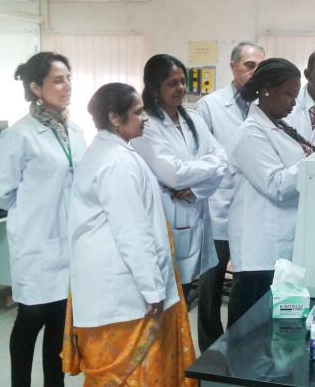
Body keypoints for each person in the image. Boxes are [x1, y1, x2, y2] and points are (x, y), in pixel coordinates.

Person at [63, 83, 196, 387]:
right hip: (123, 293)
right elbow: (132, 232)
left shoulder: (110, 152)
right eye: (137, 112)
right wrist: (151, 289)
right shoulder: (117, 163)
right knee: (131, 377)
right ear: (114, 118)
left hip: (117, 285)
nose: (144, 118)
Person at [0, 51, 87, 387]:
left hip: (69, 245)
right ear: (36, 88)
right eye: (58, 80)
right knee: (31, 318)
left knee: (60, 323)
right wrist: (31, 210)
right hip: (37, 243)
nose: (67, 85)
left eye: (68, 77)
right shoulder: (21, 135)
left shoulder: (75, 130)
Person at [227, 58, 315, 326]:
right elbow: (276, 184)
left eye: (296, 96)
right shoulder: (251, 133)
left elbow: (301, 168)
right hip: (259, 252)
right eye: (288, 94)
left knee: (273, 331)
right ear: (265, 89)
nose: (293, 103)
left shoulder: (281, 128)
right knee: (247, 335)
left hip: (282, 248)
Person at [131, 54, 227, 303]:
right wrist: (201, 170)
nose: (180, 88)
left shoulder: (192, 119)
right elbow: (173, 174)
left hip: (193, 208)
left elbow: (222, 159)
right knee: (167, 294)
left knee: (184, 292)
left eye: (182, 82)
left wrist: (197, 187)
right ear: (154, 87)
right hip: (165, 213)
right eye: (172, 83)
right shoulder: (146, 125)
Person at [194, 41, 265, 351]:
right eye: (250, 65)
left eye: (260, 66)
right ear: (234, 67)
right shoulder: (210, 105)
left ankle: (240, 347)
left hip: (252, 211)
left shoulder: (264, 106)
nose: (255, 72)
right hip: (218, 209)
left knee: (246, 284)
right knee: (210, 289)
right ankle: (211, 353)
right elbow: (200, 155)